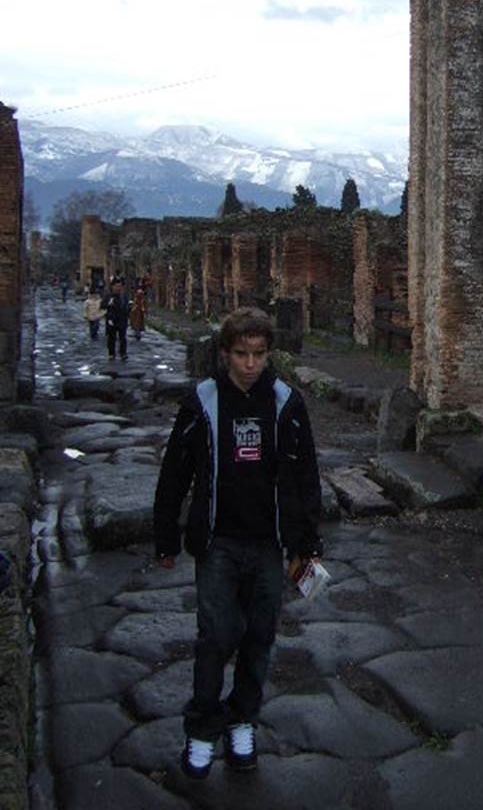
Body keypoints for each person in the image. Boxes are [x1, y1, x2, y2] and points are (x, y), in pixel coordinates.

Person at [153, 308, 323, 780]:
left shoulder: (287, 403)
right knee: (216, 637)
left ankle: (243, 718)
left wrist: (307, 541)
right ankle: (203, 727)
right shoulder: (202, 402)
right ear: (225, 354)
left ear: (269, 354)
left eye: (259, 355)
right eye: (242, 355)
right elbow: (175, 473)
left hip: (269, 543)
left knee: (258, 639)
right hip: (217, 542)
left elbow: (306, 474)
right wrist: (165, 535)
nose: (251, 364)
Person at [101, 275, 131, 360]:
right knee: (111, 337)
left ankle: (123, 353)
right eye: (116, 286)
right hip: (111, 319)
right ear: (112, 286)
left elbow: (127, 306)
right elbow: (102, 306)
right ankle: (111, 353)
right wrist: (108, 304)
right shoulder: (109, 296)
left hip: (122, 319)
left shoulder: (124, 296)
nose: (118, 288)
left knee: (123, 337)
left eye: (120, 286)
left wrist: (128, 310)